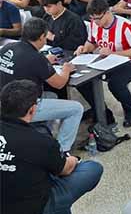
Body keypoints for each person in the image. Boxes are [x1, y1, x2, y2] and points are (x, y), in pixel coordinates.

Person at [0, 80, 103, 214]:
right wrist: (73, 159)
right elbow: (66, 169)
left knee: (47, 173)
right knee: (92, 168)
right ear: (32, 109)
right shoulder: (40, 141)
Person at [0, 18, 82, 153]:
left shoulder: (7, 47)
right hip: (22, 108)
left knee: (51, 96)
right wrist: (66, 69)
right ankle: (62, 151)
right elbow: (59, 84)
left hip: (4, 102)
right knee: (76, 108)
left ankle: (42, 136)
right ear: (41, 37)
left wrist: (45, 61)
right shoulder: (35, 58)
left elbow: (23, 63)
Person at [74, 0, 131, 128]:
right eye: (92, 19)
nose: (95, 22)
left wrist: (113, 53)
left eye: (98, 18)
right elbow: (92, 42)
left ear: (107, 12)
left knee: (115, 84)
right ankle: (102, 111)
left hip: (128, 63)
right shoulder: (94, 24)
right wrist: (84, 48)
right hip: (105, 62)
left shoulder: (125, 26)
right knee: (82, 81)